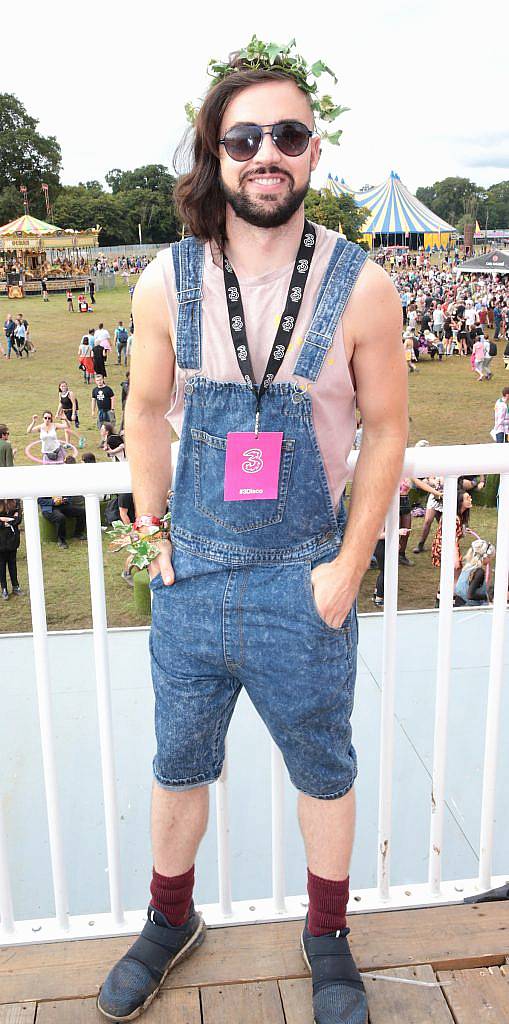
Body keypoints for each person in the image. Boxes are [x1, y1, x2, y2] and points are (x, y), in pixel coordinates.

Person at [98, 40, 408, 1024]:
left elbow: (389, 430)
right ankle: (169, 917)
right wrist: (151, 549)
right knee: (176, 760)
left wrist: (345, 567)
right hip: (191, 575)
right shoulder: (167, 281)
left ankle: (325, 937)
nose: (265, 152)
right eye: (244, 137)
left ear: (313, 153)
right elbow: (143, 416)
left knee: (323, 765)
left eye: (286, 134)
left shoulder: (362, 286)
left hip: (302, 575)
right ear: (216, 154)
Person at [454, 539, 495, 606]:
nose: (490, 561)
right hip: (467, 607)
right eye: (490, 558)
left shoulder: (467, 567)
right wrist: (487, 596)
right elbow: (470, 595)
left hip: (458, 604)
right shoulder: (479, 572)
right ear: (485, 557)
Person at [0, 498, 22, 599]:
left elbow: (18, 519)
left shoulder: (16, 501)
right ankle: (4, 588)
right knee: (1, 565)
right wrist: (10, 519)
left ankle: (15, 586)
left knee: (13, 564)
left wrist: (4, 519)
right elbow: (13, 519)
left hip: (12, 538)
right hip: (1, 540)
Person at [55, 381, 78, 447]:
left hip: (70, 412)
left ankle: (80, 438)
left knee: (67, 428)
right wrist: (57, 413)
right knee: (65, 429)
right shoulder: (60, 394)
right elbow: (61, 404)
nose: (63, 387)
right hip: (63, 412)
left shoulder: (70, 393)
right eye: (62, 386)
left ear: (67, 386)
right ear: (59, 387)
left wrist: (74, 414)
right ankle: (67, 443)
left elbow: (74, 404)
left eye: (64, 386)